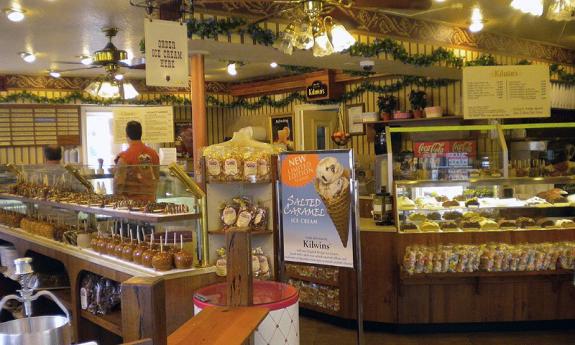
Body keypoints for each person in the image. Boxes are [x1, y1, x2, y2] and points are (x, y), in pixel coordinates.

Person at [113, 121, 160, 202]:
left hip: (132, 205)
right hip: (150, 203)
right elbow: (156, 178)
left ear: (126, 135)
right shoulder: (153, 154)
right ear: (141, 134)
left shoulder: (125, 157)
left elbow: (118, 184)